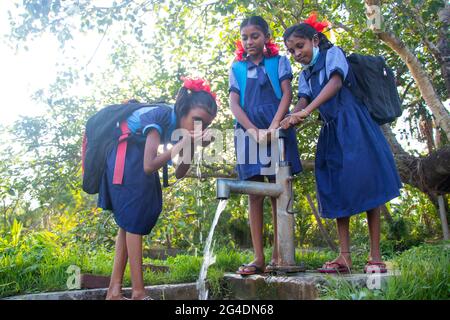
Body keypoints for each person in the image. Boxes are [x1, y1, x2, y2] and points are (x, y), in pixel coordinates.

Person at [280, 14, 402, 274]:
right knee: (334, 187)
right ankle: (344, 257)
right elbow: (303, 100)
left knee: (368, 183)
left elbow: (335, 84)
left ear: (314, 39)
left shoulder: (333, 54)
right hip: (331, 131)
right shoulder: (305, 75)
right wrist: (293, 115)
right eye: (291, 51)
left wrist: (308, 110)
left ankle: (375, 256)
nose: (297, 53)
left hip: (355, 126)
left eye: (300, 46)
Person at [99, 78, 217, 299]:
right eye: (197, 120)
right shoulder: (161, 116)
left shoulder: (180, 128)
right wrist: (183, 144)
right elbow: (149, 165)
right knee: (133, 222)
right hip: (126, 158)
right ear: (183, 110)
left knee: (128, 224)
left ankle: (114, 291)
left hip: (135, 158)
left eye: (206, 125)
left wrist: (191, 145)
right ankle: (138, 292)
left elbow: (180, 172)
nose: (201, 128)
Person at [229, 16, 302, 275]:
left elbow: (287, 95)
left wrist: (273, 127)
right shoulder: (236, 67)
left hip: (277, 129)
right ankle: (258, 258)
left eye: (255, 36)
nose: (249, 41)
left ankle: (278, 254)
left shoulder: (279, 61)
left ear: (266, 37)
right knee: (255, 193)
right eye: (245, 37)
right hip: (248, 133)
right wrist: (252, 131)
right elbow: (234, 105)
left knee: (278, 190)